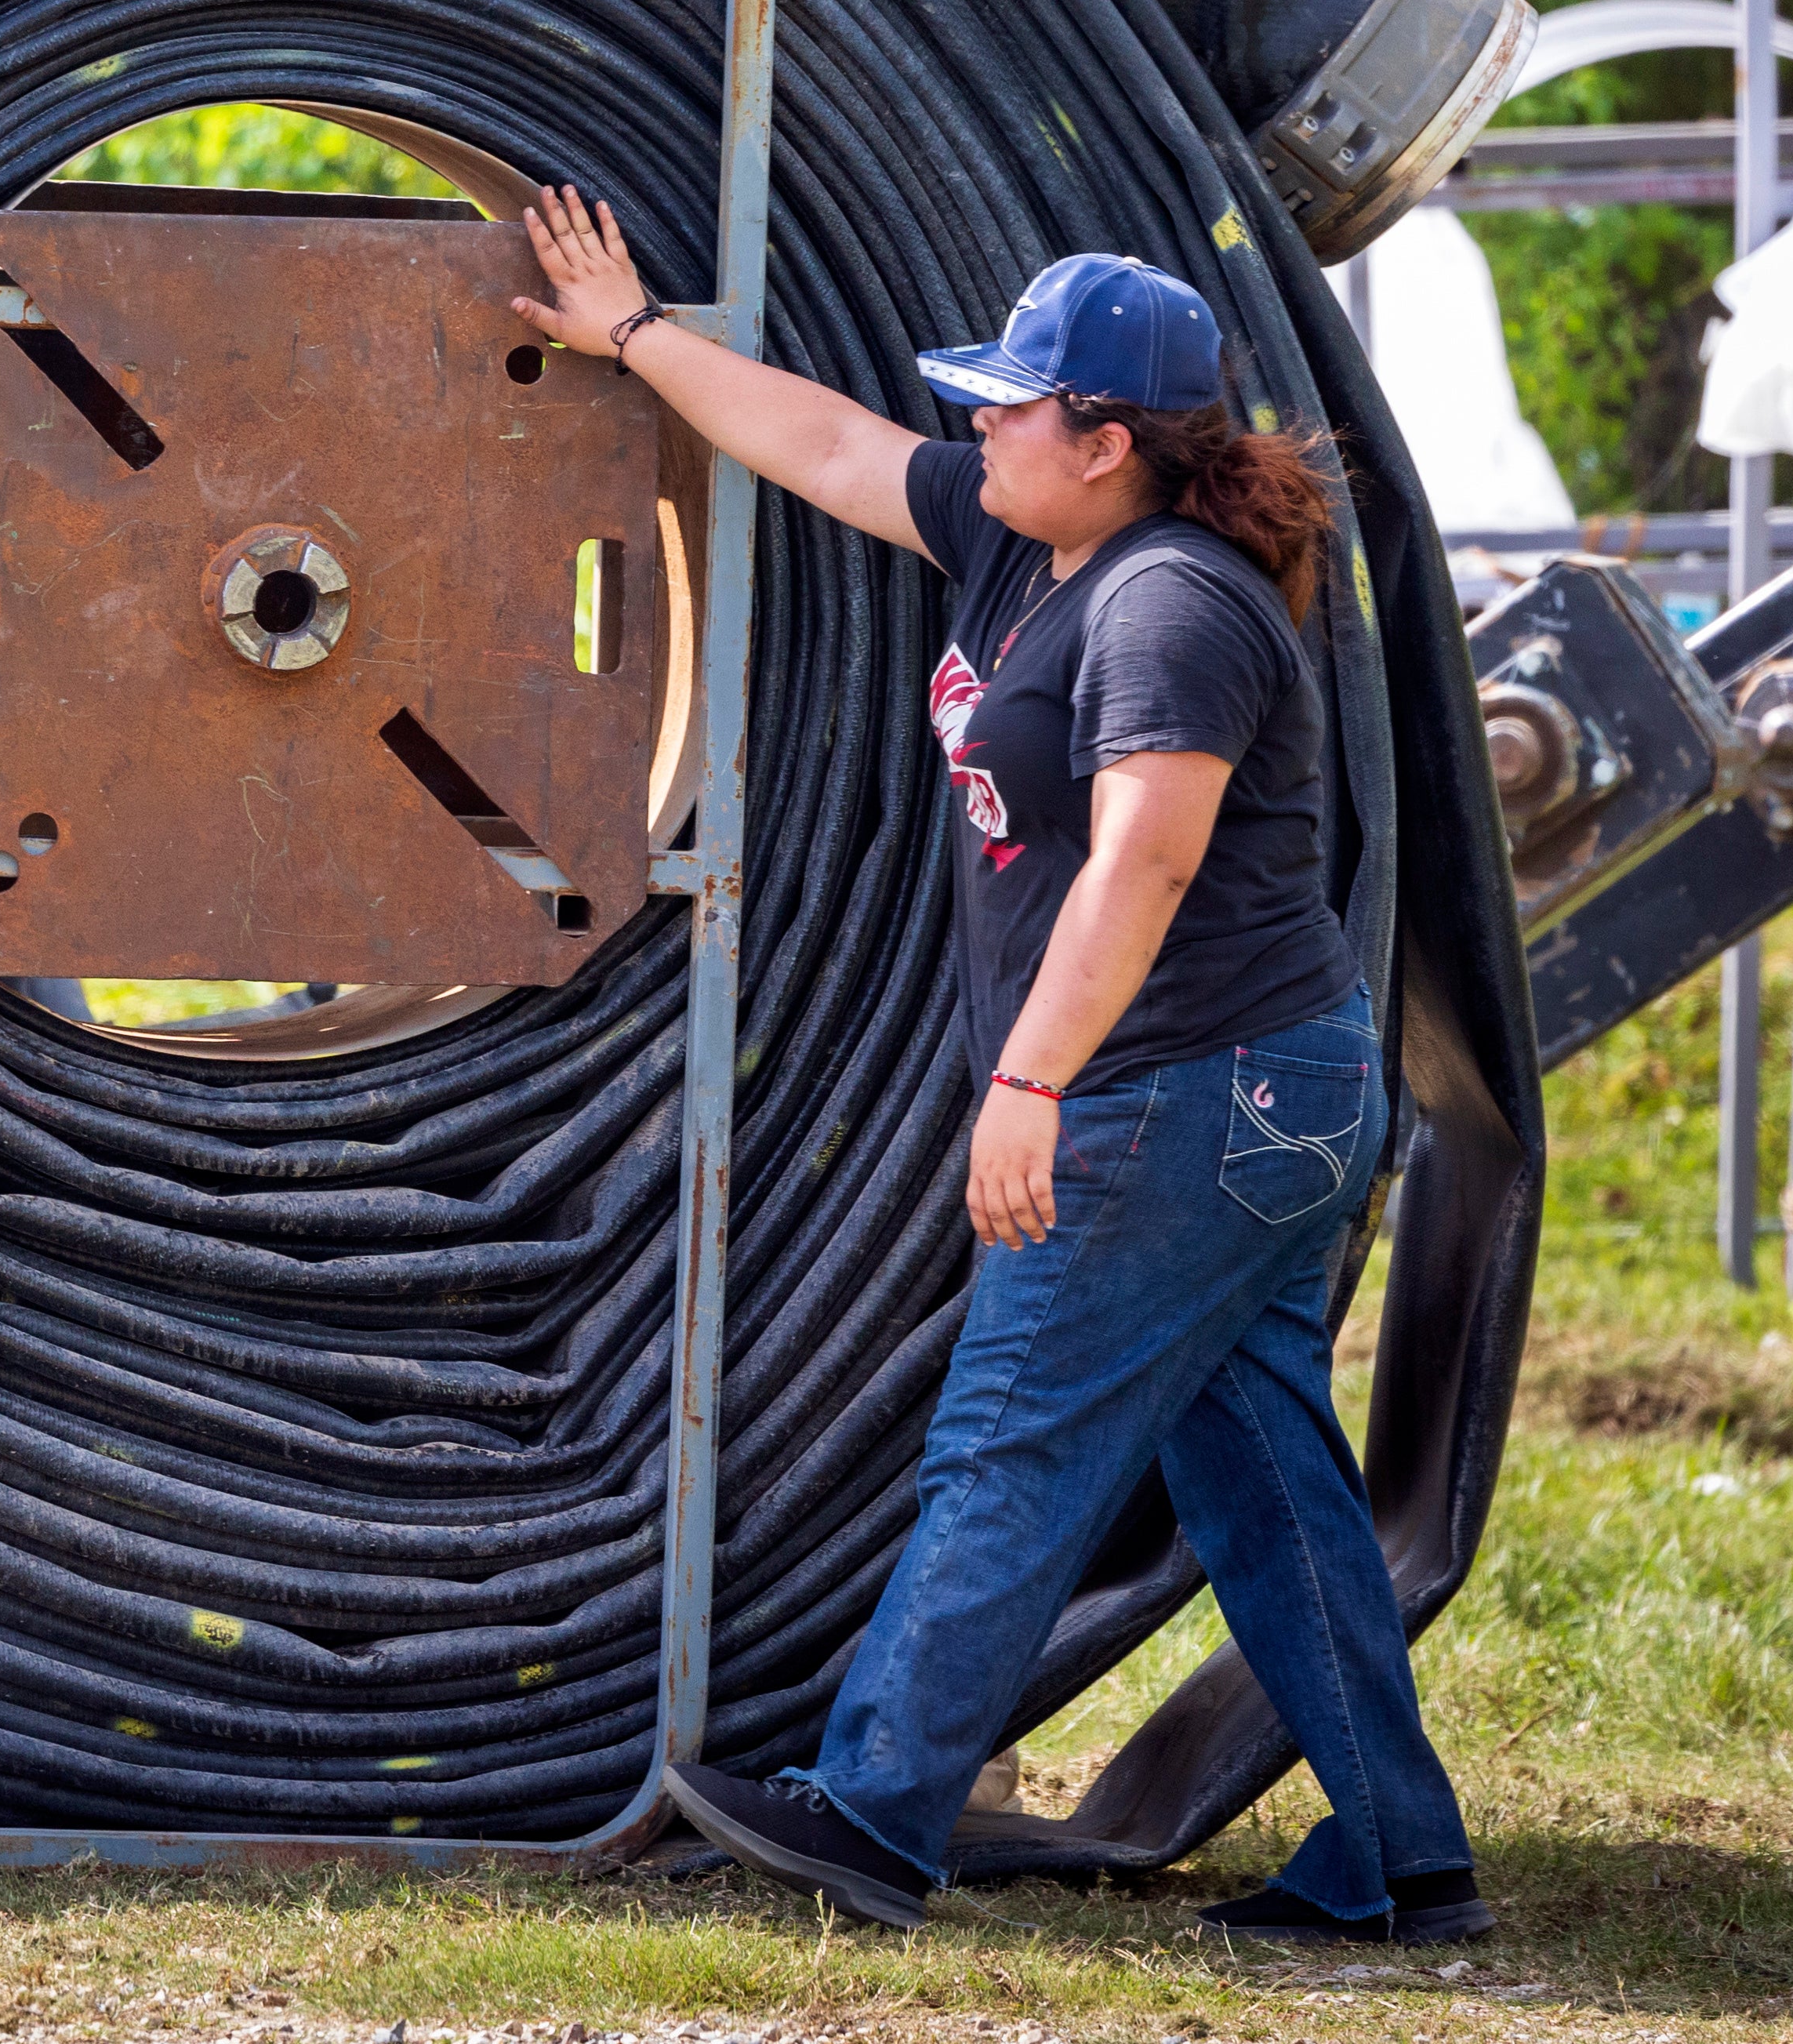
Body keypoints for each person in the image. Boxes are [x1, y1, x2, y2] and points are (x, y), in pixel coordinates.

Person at [507, 192, 1485, 1948]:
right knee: (1265, 1485)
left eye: (1011, 404)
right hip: (1255, 1096)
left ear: (1107, 446)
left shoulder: (1169, 606)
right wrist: (633, 336)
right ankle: (1411, 1863)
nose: (977, 423)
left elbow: (1145, 862)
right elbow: (824, 444)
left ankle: (874, 1814)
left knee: (1009, 1442)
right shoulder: (1029, 538)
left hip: (1194, 1096)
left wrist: (1028, 1083)